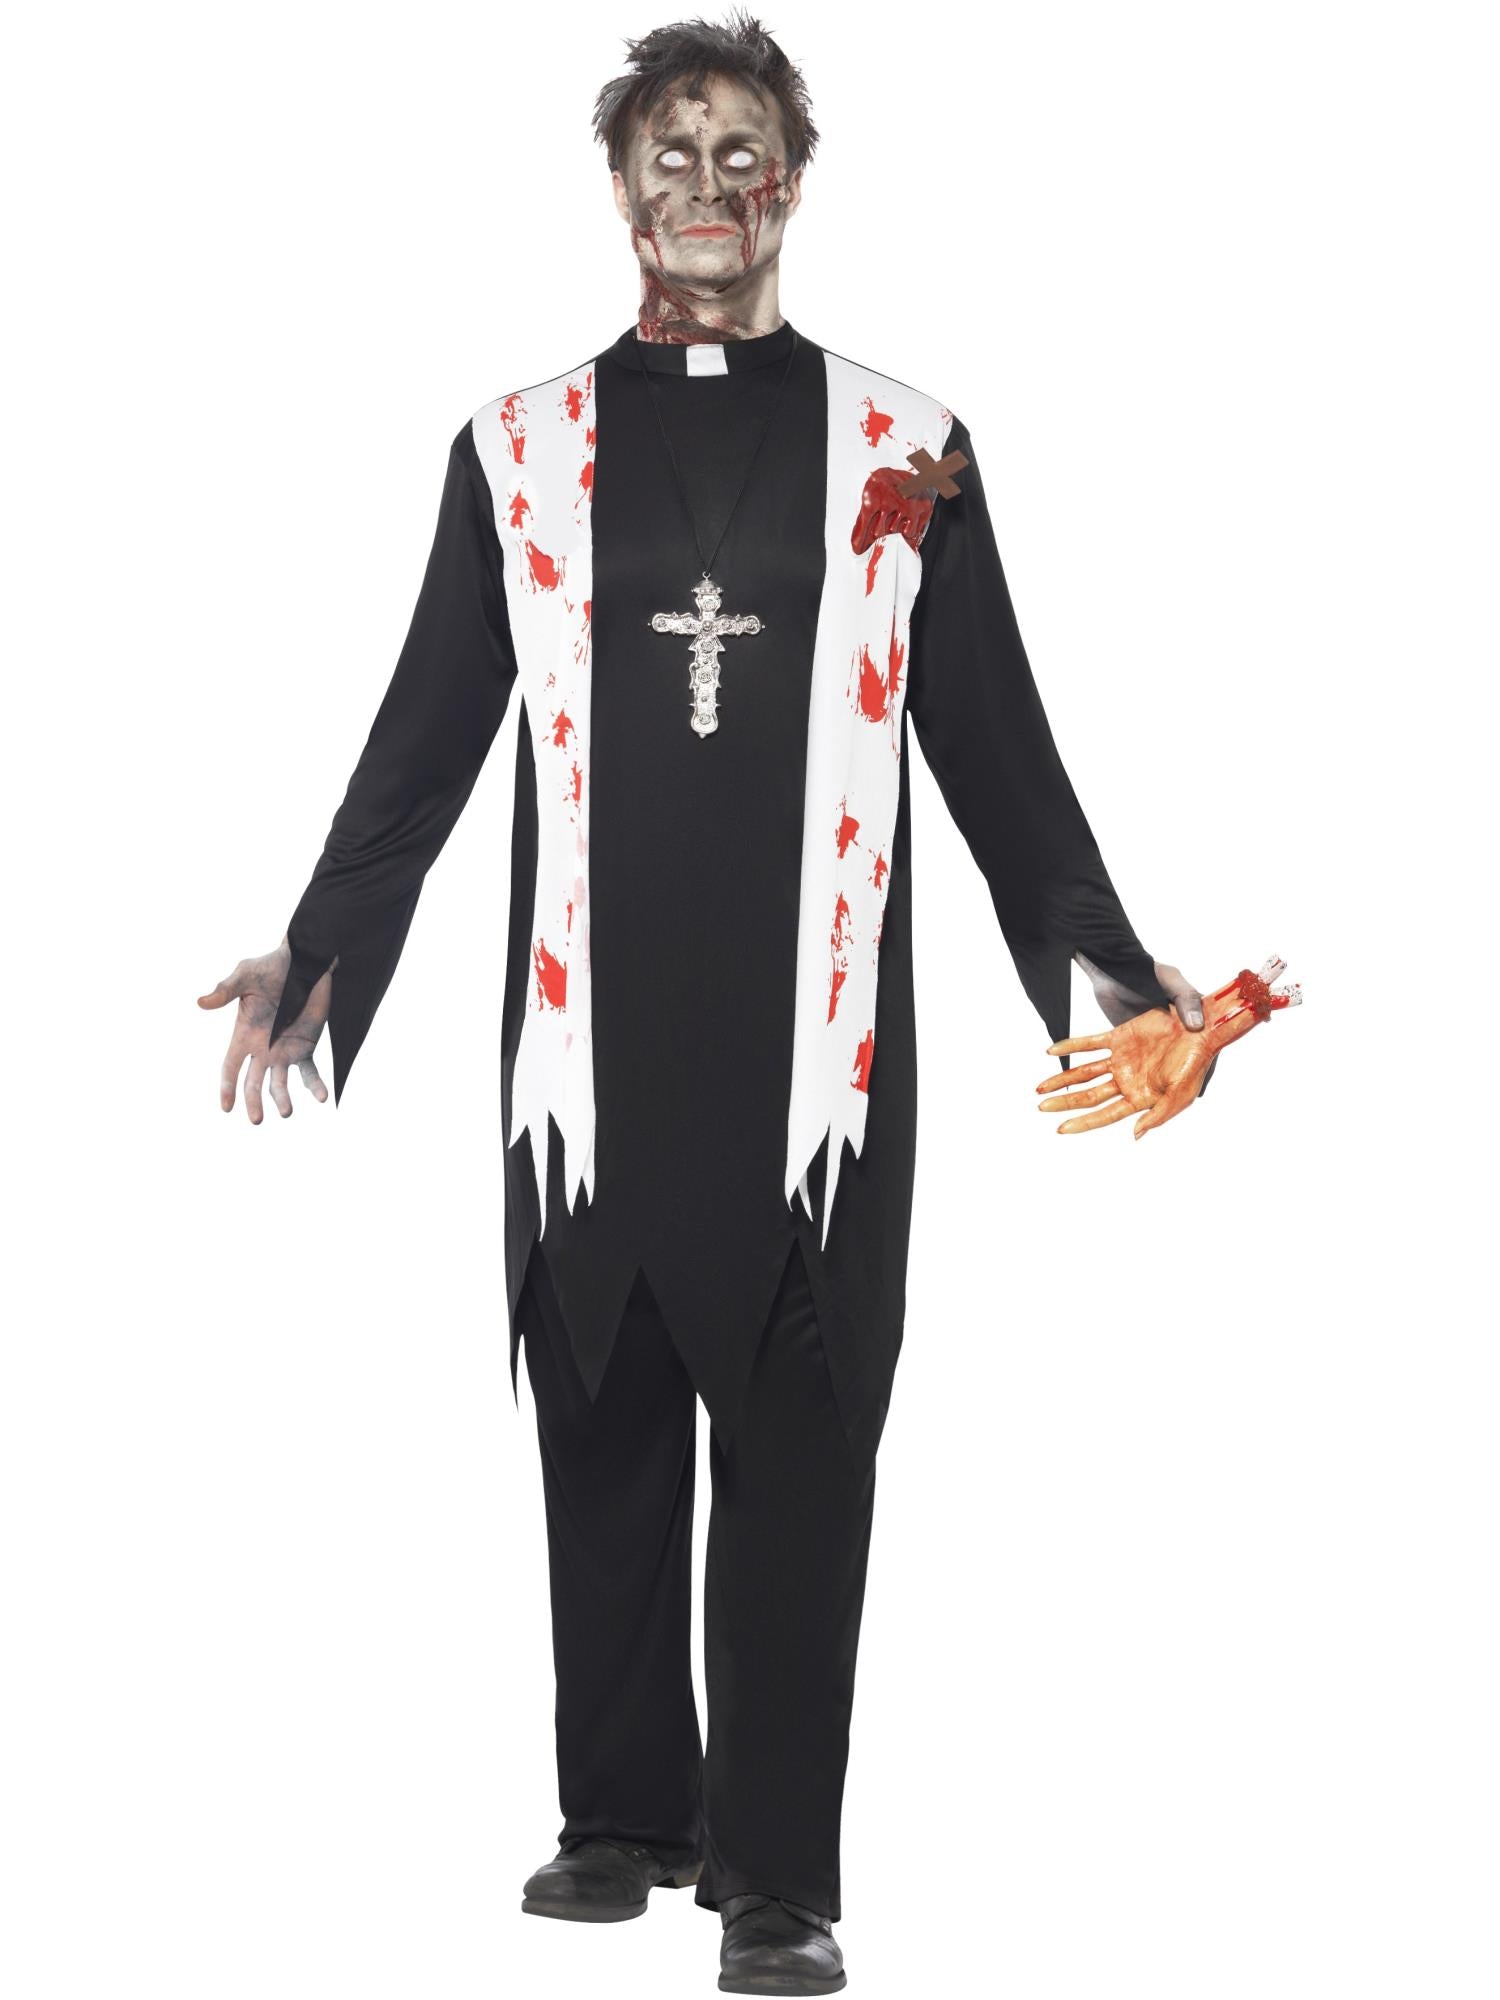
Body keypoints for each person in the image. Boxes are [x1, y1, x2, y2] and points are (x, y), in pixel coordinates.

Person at [198, 14, 1225, 1993]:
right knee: (598, 1415)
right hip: (584, 1033)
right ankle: (620, 1815)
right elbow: (426, 732)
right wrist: (316, 947)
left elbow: (996, 741)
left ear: (794, 184)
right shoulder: (517, 453)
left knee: (800, 1448)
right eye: (670, 153)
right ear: (619, 189)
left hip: (817, 1048)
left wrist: (1108, 966)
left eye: (741, 150)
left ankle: (775, 1873)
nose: (706, 187)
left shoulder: (907, 451)